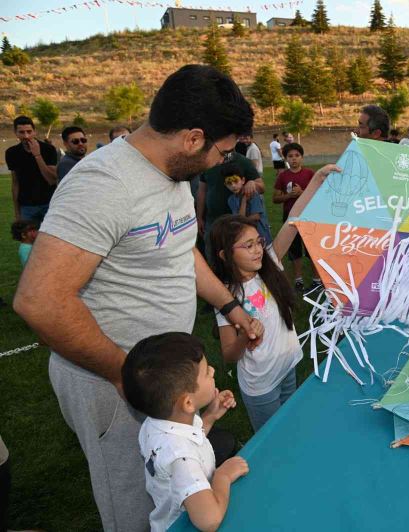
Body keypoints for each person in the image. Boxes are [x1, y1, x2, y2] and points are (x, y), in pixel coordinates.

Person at [13, 64, 263, 532]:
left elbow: (180, 248)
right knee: (137, 510)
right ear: (192, 138)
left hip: (161, 375)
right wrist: (123, 374)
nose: (220, 163)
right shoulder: (103, 185)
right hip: (113, 379)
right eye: (221, 151)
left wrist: (230, 308)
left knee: (182, 487)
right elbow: (40, 301)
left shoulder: (171, 175)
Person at [211, 164, 337, 429]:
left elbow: (294, 220)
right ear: (225, 255)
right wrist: (245, 336)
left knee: (291, 426)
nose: (258, 250)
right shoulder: (225, 297)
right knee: (272, 436)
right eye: (248, 246)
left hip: (288, 367)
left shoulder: (270, 263)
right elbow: (228, 355)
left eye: (258, 242)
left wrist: (315, 181)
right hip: (261, 386)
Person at [122, 332, 251, 532]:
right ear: (188, 403)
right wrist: (222, 476)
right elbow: (209, 520)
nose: (213, 370)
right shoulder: (181, 458)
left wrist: (209, 417)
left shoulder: (154, 423)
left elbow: (188, 441)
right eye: (206, 372)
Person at [273, 142, 322, 292]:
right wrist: (289, 195)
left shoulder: (310, 174)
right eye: (290, 156)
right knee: (294, 250)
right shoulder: (283, 176)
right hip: (290, 218)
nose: (294, 159)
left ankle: (317, 280)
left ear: (302, 157)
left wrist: (302, 194)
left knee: (312, 249)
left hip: (309, 217)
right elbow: (275, 198)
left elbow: (320, 196)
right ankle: (298, 279)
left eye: (297, 156)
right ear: (286, 159)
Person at [196, 152, 264, 256]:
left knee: (235, 255)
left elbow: (262, 187)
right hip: (212, 220)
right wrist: (199, 217)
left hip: (237, 224)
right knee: (212, 254)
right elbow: (202, 191)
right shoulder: (207, 161)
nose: (233, 185)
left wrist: (253, 183)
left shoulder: (242, 161)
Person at [5, 116, 58, 223]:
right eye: (21, 132)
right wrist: (17, 212)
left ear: (34, 132)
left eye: (29, 131)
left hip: (49, 203)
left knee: (49, 239)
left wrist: (37, 155)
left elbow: (52, 179)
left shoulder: (48, 149)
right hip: (27, 206)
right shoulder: (12, 153)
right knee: (28, 239)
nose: (26, 136)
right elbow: (15, 182)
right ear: (16, 133)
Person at [224, 173, 273, 246]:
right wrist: (244, 201)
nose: (233, 185)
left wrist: (241, 220)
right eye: (229, 183)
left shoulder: (253, 194)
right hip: (246, 237)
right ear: (225, 185)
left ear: (243, 180)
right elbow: (240, 219)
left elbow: (256, 217)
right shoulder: (231, 200)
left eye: (236, 181)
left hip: (262, 234)